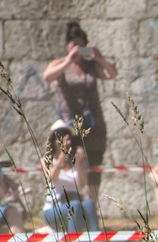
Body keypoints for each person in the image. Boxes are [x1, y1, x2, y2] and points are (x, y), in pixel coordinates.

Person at [43, 21, 116, 207]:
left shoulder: (91, 66)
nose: (77, 48)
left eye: (80, 45)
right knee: (73, 163)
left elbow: (112, 74)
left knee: (93, 169)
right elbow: (47, 77)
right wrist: (69, 60)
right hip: (71, 127)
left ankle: (92, 209)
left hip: (95, 126)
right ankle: (69, 208)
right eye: (73, 44)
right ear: (67, 46)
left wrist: (99, 58)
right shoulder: (60, 63)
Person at [41, 120, 99, 237]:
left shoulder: (79, 160)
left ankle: (97, 240)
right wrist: (62, 156)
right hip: (55, 209)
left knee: (88, 203)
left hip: (76, 206)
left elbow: (83, 184)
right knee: (74, 205)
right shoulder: (47, 160)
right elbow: (52, 178)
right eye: (62, 135)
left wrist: (78, 162)